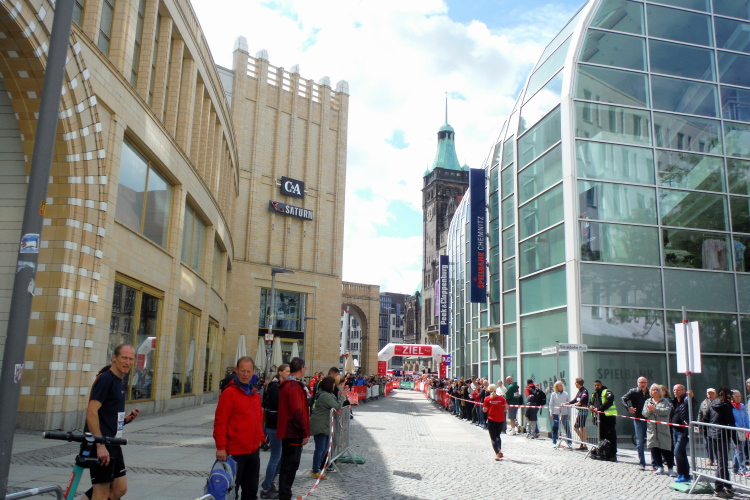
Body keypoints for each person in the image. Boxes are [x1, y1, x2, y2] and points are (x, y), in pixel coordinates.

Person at [81, 345, 139, 500]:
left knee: (119, 489)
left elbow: (106, 414)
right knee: (102, 493)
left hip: (113, 442)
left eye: (130, 359)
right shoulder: (106, 379)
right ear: (114, 357)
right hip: (101, 443)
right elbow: (91, 412)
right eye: (124, 358)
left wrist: (124, 421)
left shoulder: (118, 380)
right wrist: (99, 445)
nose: (127, 362)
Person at [213, 356, 265, 500]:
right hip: (235, 451)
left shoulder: (255, 393)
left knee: (251, 491)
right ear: (237, 370)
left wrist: (260, 438)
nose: (245, 374)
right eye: (242, 370)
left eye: (248, 371)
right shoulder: (229, 393)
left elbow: (258, 417)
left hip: (253, 450)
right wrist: (221, 447)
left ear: (253, 372)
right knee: (232, 492)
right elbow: (220, 422)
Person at [277, 357, 310, 500]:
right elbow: (297, 411)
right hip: (293, 431)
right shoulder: (293, 386)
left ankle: (285, 493)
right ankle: (285, 494)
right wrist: (304, 432)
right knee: (290, 465)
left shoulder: (290, 385)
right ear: (301, 369)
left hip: (290, 430)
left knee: (288, 464)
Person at [260, 363, 290, 499]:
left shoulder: (278, 385)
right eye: (287, 371)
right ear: (280, 372)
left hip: (277, 424)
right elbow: (280, 405)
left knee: (279, 457)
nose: (289, 373)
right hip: (274, 425)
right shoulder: (275, 387)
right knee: (275, 457)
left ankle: (269, 482)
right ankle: (266, 488)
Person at [703, 387, 736, 498]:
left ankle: (727, 485)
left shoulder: (712, 403)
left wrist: (707, 434)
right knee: (722, 463)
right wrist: (736, 441)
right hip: (722, 436)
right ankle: (718, 488)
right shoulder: (726, 406)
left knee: (722, 462)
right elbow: (731, 423)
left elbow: (705, 419)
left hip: (712, 436)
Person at [309, 376, 342, 479]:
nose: (334, 386)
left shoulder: (328, 395)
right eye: (333, 384)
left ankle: (317, 468)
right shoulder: (325, 396)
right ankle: (315, 470)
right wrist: (343, 397)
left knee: (325, 448)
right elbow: (337, 406)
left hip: (325, 424)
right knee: (320, 449)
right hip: (320, 425)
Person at [642, 383, 674, 476]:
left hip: (663, 429)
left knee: (666, 449)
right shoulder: (648, 401)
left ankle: (670, 468)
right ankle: (659, 466)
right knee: (654, 448)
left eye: (656, 390)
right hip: (652, 429)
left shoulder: (665, 401)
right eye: (653, 390)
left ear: (660, 392)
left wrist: (656, 410)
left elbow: (667, 411)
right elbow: (644, 413)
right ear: (650, 392)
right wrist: (649, 410)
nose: (655, 391)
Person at [622, 376, 650, 470]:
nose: (643, 384)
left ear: (647, 383)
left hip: (650, 419)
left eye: (644, 382)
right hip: (638, 419)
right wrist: (628, 408)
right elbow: (623, 399)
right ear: (637, 383)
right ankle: (642, 462)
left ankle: (655, 463)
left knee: (652, 441)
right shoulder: (633, 391)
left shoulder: (650, 392)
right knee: (640, 442)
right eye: (641, 382)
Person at [671, 383, 695, 482]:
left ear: (683, 391)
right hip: (675, 430)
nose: (676, 392)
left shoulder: (686, 399)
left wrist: (691, 397)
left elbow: (693, 404)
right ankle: (686, 475)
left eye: (678, 390)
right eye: (674, 390)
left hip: (683, 432)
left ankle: (680, 473)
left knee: (677, 452)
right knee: (682, 453)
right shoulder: (674, 401)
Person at [590, 379, 617, 461]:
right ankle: (604, 453)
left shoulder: (607, 392)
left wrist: (599, 409)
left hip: (608, 418)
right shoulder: (594, 394)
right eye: (595, 385)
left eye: (598, 385)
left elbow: (610, 401)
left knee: (611, 437)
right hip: (599, 419)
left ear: (601, 385)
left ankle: (613, 454)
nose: (596, 386)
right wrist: (590, 406)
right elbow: (590, 402)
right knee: (602, 437)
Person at [482, 384, 508, 461]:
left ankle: (497, 453)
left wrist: (488, 409)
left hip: (491, 419)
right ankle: (499, 449)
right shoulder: (501, 398)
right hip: (500, 419)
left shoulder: (487, 398)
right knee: (498, 436)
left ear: (489, 390)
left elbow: (484, 410)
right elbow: (507, 407)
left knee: (493, 438)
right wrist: (502, 411)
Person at [563, 378, 589, 450]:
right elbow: (575, 400)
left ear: (578, 383)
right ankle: (583, 443)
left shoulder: (584, 391)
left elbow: (582, 400)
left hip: (583, 412)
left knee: (577, 427)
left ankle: (584, 443)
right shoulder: (579, 391)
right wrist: (567, 403)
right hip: (580, 412)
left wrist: (576, 404)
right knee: (581, 427)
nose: (575, 384)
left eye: (575, 383)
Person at [731, 390, 750, 479]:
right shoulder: (730, 407)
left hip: (743, 430)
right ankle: (744, 469)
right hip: (735, 431)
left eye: (739, 396)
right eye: (736, 396)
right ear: (732, 397)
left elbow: (746, 418)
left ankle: (735, 468)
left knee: (738, 449)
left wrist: (748, 429)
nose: (738, 398)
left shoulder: (742, 406)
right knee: (739, 450)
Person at [699, 388, 718, 466]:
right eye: (709, 393)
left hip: (716, 426)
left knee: (716, 443)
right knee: (707, 443)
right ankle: (710, 458)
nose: (710, 395)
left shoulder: (719, 402)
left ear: (715, 394)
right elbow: (700, 414)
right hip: (706, 427)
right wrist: (699, 426)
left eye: (712, 393)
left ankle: (718, 458)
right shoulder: (704, 403)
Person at [549, 381, 569, 447]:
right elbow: (551, 404)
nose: (561, 386)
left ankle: (569, 442)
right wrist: (551, 412)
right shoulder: (553, 394)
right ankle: (554, 442)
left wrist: (569, 414)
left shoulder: (566, 394)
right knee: (555, 427)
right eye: (560, 385)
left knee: (567, 427)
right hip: (556, 413)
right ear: (556, 387)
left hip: (564, 413)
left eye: (561, 385)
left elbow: (568, 403)